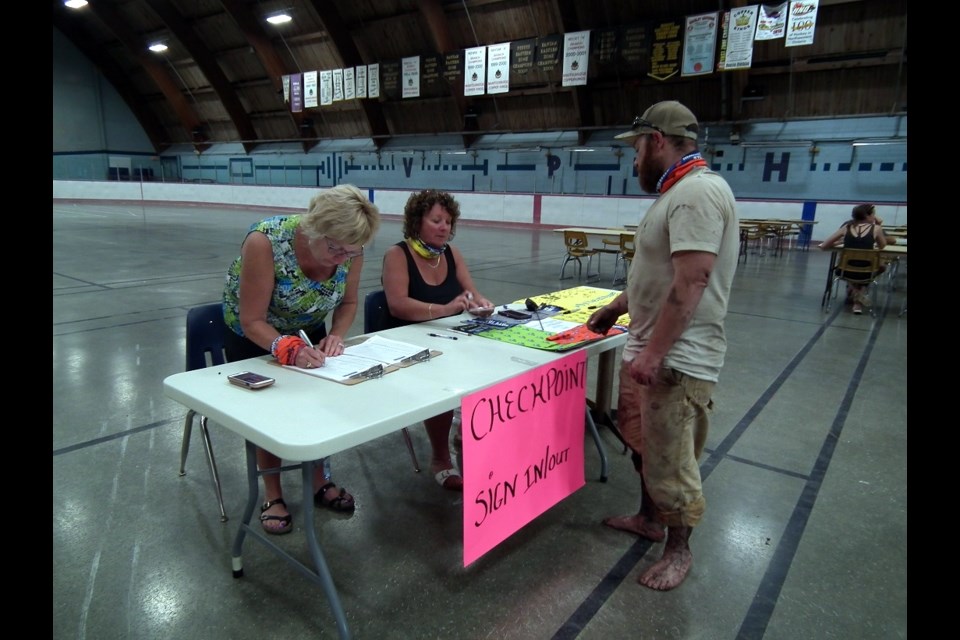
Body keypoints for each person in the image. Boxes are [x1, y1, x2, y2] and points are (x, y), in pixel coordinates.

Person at [585, 101, 740, 591]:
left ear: (656, 140)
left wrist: (654, 353)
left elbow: (692, 280)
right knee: (646, 448)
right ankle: (649, 519)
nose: (632, 161)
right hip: (651, 349)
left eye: (634, 149)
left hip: (675, 359)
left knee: (672, 459)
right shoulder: (678, 193)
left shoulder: (696, 194)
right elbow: (659, 274)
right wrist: (616, 309)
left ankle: (679, 551)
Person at [222, 184, 381, 534]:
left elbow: (348, 302)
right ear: (313, 227)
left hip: (306, 325)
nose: (342, 258)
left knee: (317, 403)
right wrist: (286, 348)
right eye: (334, 248)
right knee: (271, 410)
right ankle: (273, 493)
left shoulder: (352, 250)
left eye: (350, 252)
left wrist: (336, 334)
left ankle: (318, 480)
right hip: (255, 334)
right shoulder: (265, 242)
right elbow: (252, 320)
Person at [380, 189, 494, 491]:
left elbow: (471, 292)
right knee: (441, 380)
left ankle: (468, 432)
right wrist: (443, 310)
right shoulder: (397, 255)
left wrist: (480, 303)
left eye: (448, 221)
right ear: (417, 222)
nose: (445, 227)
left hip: (448, 341)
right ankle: (441, 458)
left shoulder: (452, 254)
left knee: (491, 367)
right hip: (405, 344)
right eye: (436, 220)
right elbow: (397, 305)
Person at [818, 203, 887, 314]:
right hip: (867, 272)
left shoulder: (846, 227)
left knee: (846, 269)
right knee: (876, 267)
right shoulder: (876, 229)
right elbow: (882, 246)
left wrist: (840, 242)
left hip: (845, 271)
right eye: (873, 214)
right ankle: (859, 297)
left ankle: (854, 292)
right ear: (868, 216)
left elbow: (825, 245)